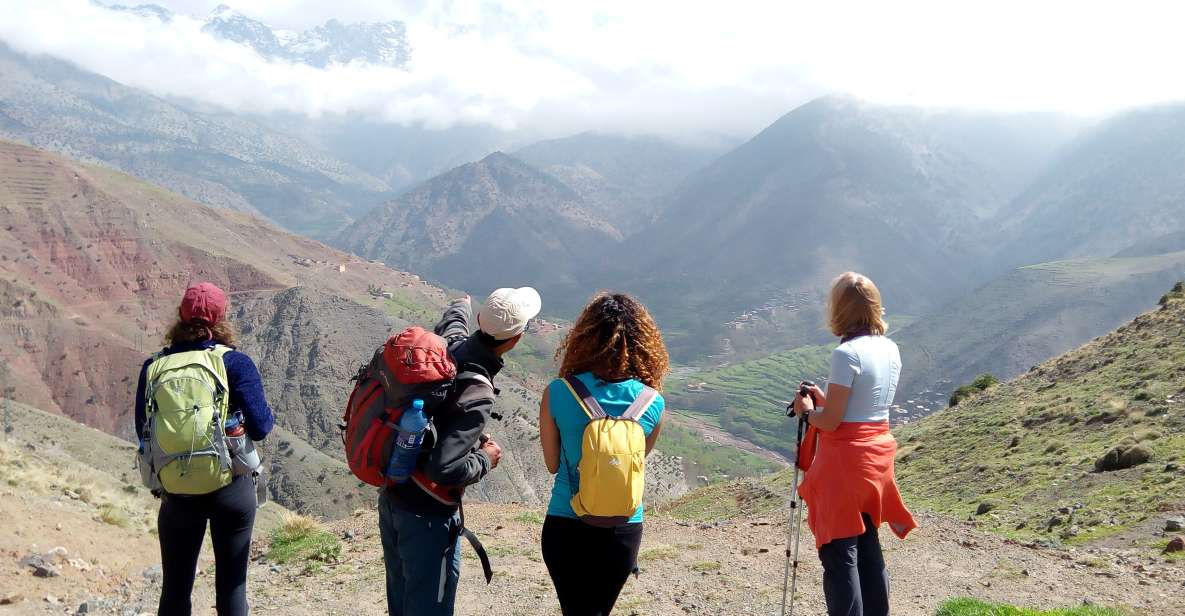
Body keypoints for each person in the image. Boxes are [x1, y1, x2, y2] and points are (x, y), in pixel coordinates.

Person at [379, 287, 541, 616]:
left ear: (480, 321)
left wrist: (461, 303)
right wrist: (486, 458)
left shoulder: (448, 346)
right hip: (427, 515)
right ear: (516, 339)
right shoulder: (479, 391)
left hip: (394, 494)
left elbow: (453, 322)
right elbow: (445, 469)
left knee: (402, 597)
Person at [135, 282, 274, 616]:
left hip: (177, 491)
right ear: (222, 318)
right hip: (231, 488)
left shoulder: (153, 368)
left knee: (175, 589)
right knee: (232, 587)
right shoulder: (235, 363)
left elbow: (144, 430)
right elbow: (262, 427)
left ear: (180, 317)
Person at [792, 272, 917, 616]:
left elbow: (831, 421)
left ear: (839, 310)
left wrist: (806, 411)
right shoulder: (890, 348)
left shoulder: (846, 354)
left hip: (845, 464)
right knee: (867, 542)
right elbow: (861, 407)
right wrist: (825, 401)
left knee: (839, 552)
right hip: (878, 457)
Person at [539, 292, 670, 616]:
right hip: (623, 529)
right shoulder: (653, 402)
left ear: (582, 338)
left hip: (565, 525)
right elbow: (635, 463)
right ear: (644, 344)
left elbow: (553, 464)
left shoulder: (558, 392)